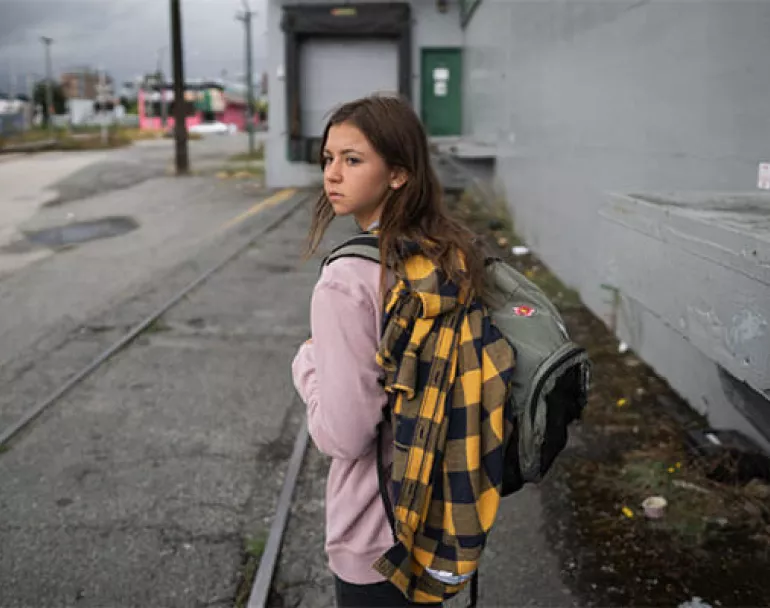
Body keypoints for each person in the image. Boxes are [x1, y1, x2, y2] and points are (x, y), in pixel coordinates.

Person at [291, 95, 492, 608]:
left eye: (352, 160)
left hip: (376, 534)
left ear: (398, 174)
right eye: (328, 159)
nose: (332, 175)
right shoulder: (445, 250)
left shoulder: (346, 282)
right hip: (438, 512)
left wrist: (308, 365)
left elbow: (345, 435)